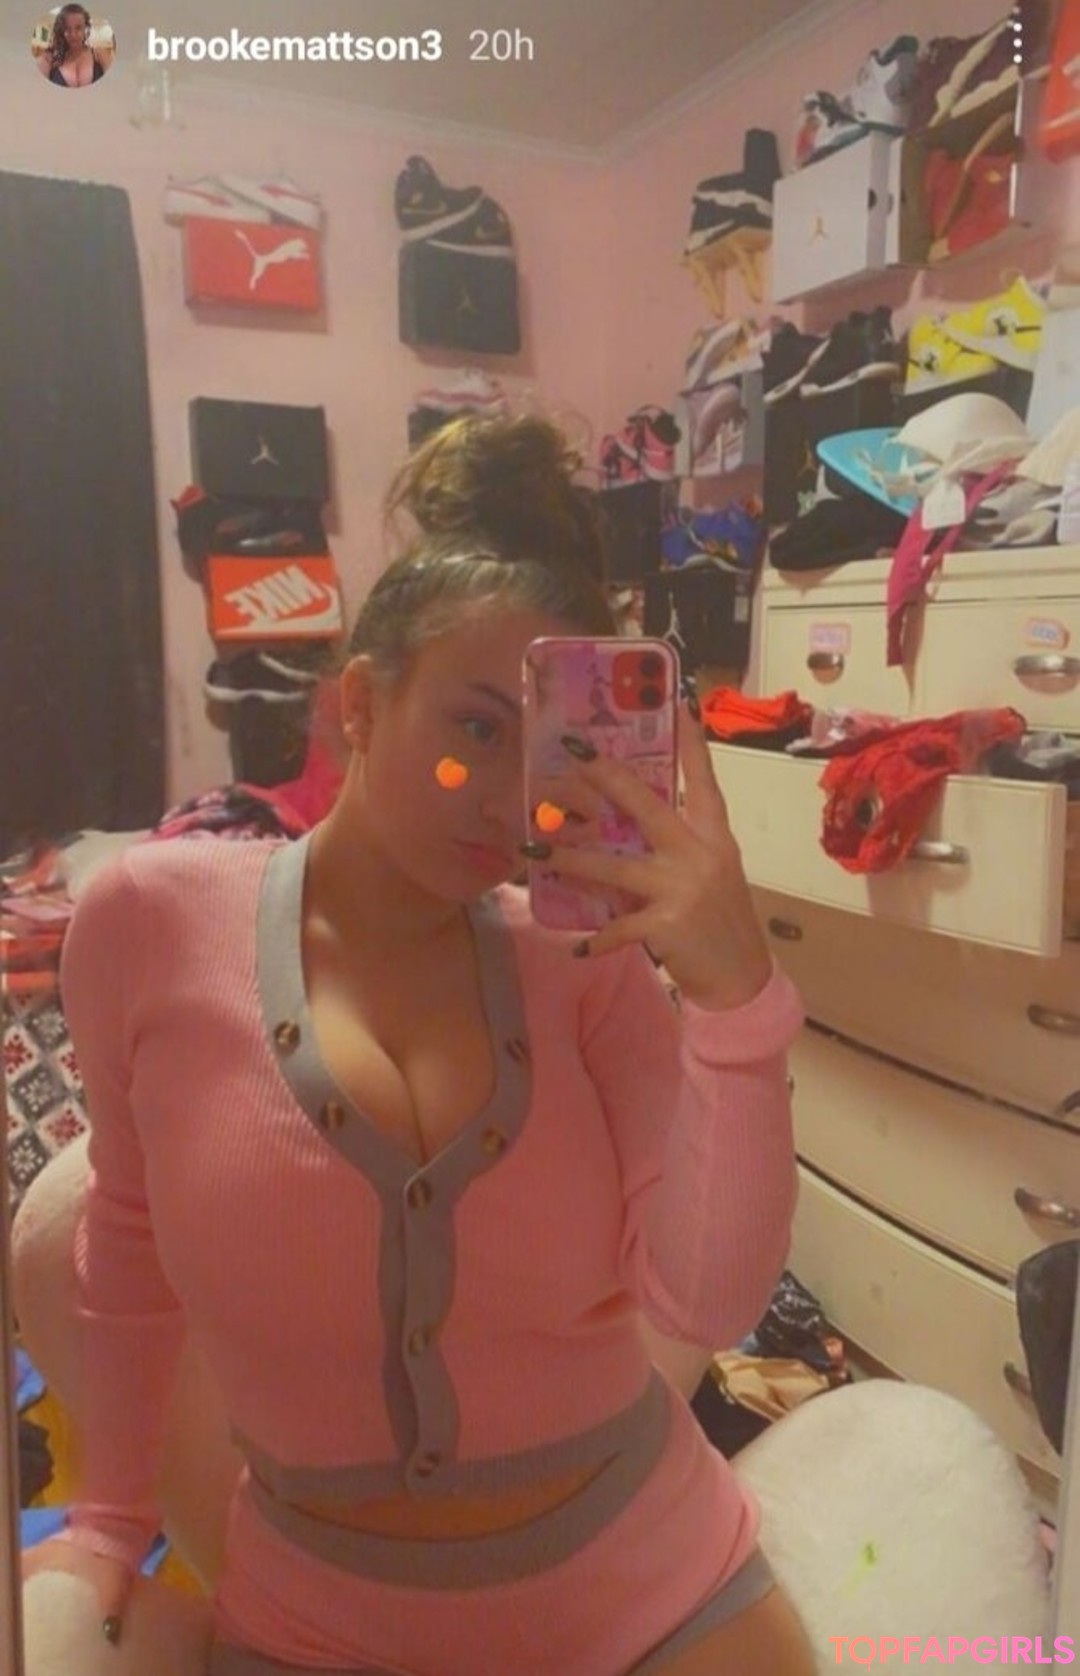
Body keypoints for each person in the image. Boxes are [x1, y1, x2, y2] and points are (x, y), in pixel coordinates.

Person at [19, 415, 813, 1675]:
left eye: (550, 749)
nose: (508, 799)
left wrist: (735, 1001)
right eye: (476, 729)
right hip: (324, 1616)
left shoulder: (584, 963)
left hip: (654, 1588)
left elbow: (706, 1300)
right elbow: (125, 1237)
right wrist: (109, 1514)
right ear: (360, 701)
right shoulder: (148, 919)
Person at [36, 4, 112, 87]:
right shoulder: (48, 59)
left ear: (85, 28)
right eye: (67, 28)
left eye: (78, 28)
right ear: (61, 30)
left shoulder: (99, 54)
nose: (73, 35)